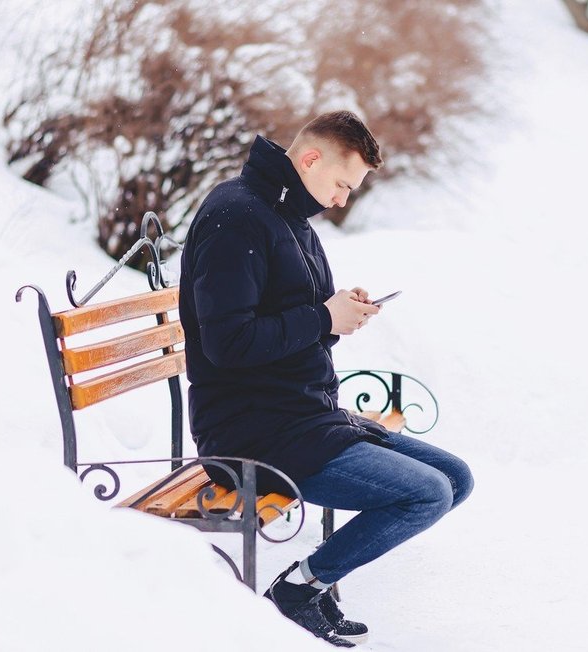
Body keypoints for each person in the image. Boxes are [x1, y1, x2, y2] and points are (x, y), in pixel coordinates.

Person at [178, 111, 473, 647]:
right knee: (426, 493)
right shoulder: (237, 218)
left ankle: (307, 587)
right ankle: (300, 589)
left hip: (303, 416)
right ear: (310, 159)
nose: (341, 200)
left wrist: (338, 317)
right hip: (252, 433)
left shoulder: (287, 218)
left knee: (456, 477)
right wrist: (322, 318)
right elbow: (228, 344)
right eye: (341, 184)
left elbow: (290, 324)